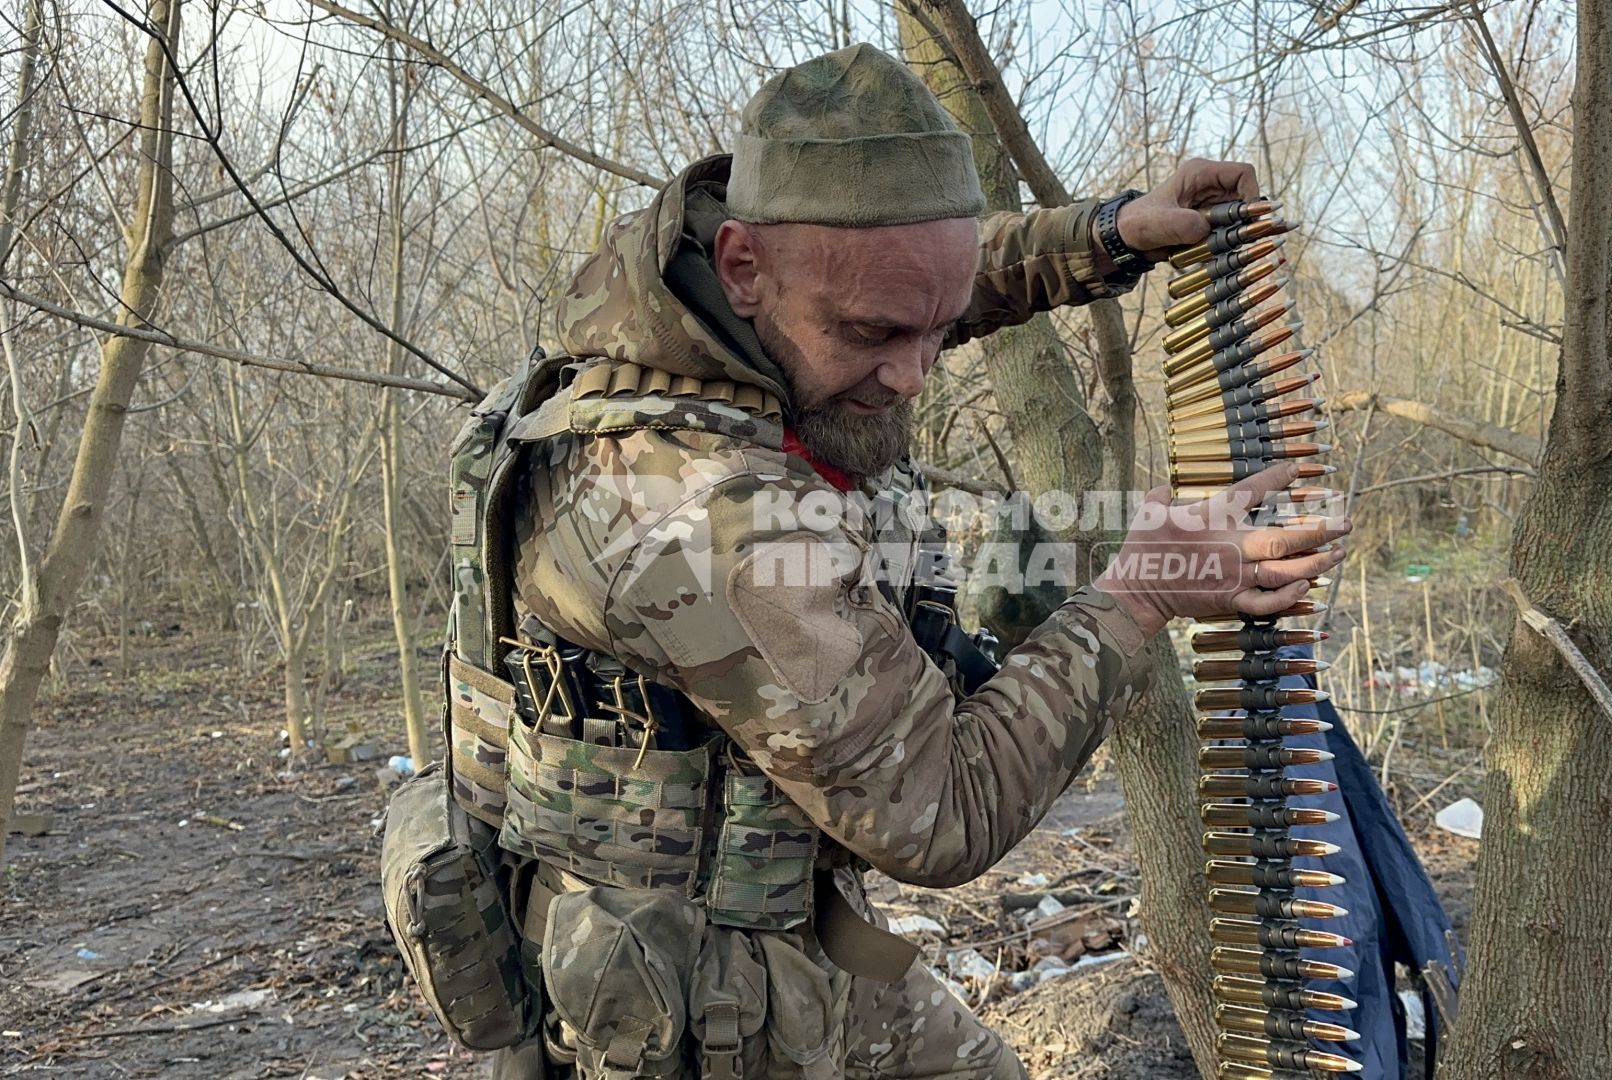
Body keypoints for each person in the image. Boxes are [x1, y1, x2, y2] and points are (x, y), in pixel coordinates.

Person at [452, 42, 1348, 1080]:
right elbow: (942, 814)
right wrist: (1143, 591)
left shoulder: (680, 291)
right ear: (745, 265)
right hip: (685, 1001)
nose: (914, 372)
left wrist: (1108, 232)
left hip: (757, 914)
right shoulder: (702, 511)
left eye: (935, 326)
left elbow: (914, 281)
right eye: (877, 335)